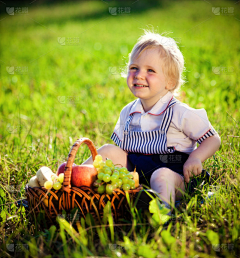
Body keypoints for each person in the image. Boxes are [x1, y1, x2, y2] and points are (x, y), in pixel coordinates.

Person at [83, 30, 221, 214]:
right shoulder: (128, 112)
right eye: (134, 68)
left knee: (161, 176)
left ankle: (161, 211)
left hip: (176, 175)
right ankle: (72, 182)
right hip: (136, 173)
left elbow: (213, 139)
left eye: (150, 70)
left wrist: (196, 157)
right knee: (108, 150)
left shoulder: (180, 112)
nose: (139, 75)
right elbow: (122, 151)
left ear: (170, 82)